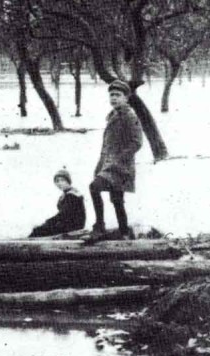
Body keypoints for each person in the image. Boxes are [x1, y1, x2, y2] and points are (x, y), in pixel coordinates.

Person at [87, 79, 144, 241]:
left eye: (118, 95)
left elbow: (137, 142)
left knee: (95, 187)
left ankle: (100, 227)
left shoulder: (129, 116)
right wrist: (101, 165)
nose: (113, 98)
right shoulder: (114, 115)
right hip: (109, 165)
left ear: (126, 98)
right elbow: (107, 145)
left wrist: (119, 159)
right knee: (117, 200)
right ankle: (124, 232)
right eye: (111, 95)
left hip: (121, 167)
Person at [28, 169, 87, 238]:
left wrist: (47, 222)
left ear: (68, 181)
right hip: (67, 224)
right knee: (40, 229)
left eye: (62, 180)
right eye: (57, 181)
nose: (59, 183)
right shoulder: (66, 194)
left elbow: (63, 215)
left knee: (37, 230)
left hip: (72, 227)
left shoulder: (72, 195)